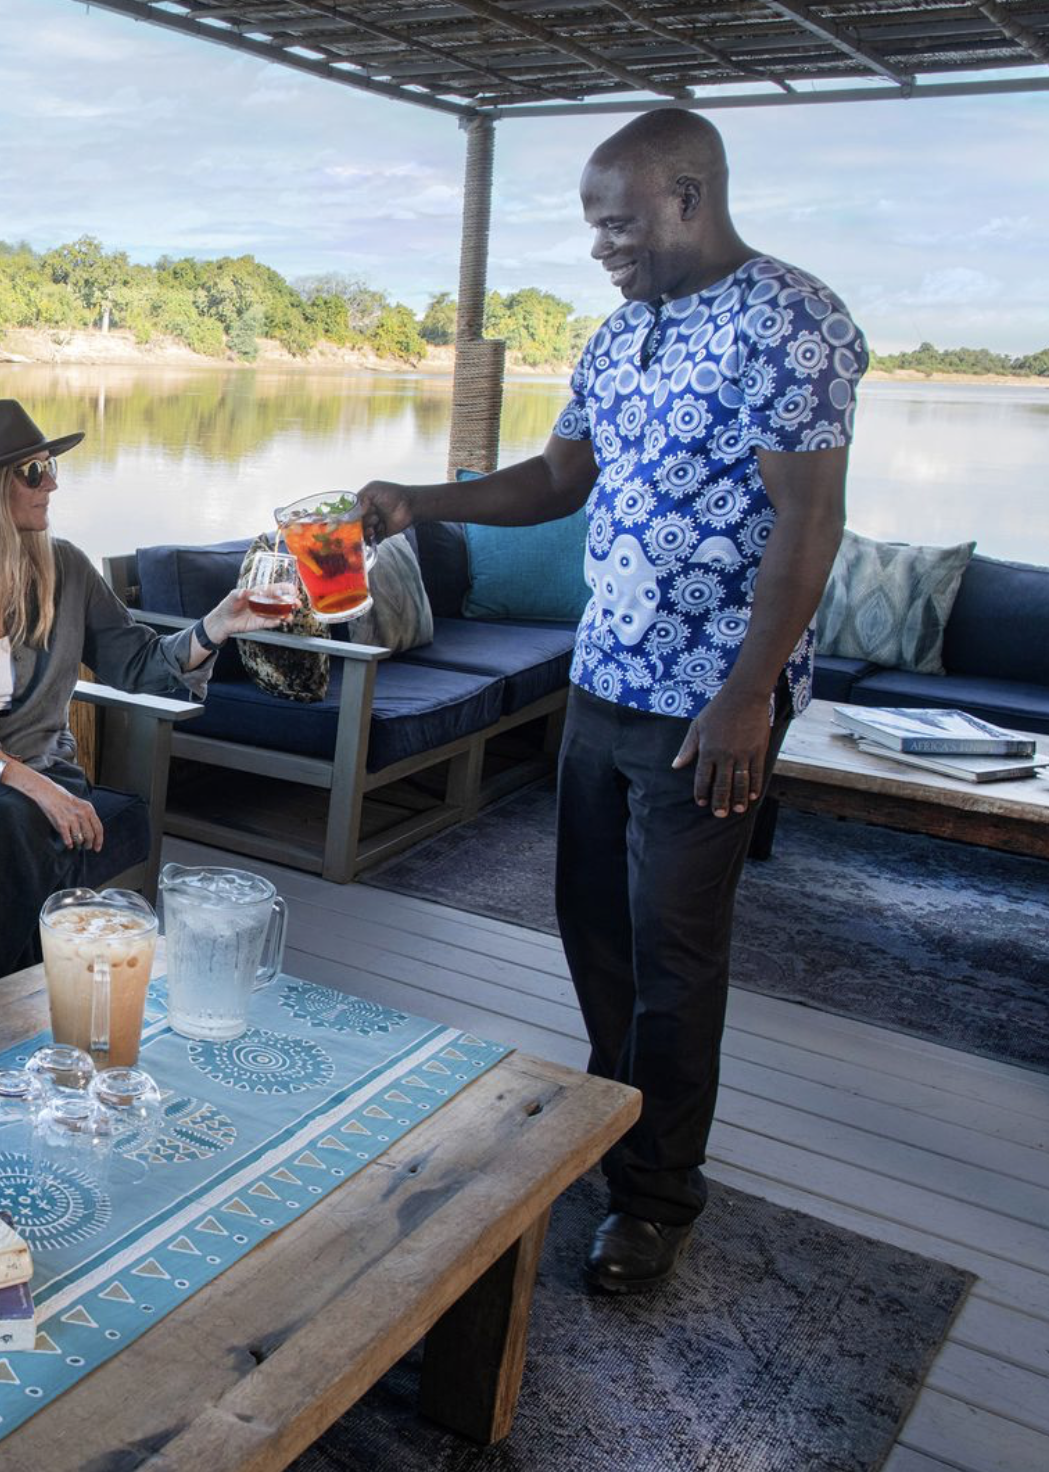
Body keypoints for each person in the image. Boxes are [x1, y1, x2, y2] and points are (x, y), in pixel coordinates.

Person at [355, 109, 861, 1293]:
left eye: (617, 221)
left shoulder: (794, 320)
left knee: (677, 950)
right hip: (606, 676)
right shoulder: (620, 331)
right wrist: (420, 503)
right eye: (593, 225)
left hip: (710, 704)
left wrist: (747, 698)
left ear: (688, 195)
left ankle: (655, 1200)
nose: (602, 246)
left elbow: (810, 521)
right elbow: (560, 477)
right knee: (592, 920)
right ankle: (610, 1116)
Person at [0, 398, 283, 984]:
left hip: (36, 777)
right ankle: (21, 998)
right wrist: (36, 788)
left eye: (51, 467)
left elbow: (140, 665)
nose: (53, 484)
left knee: (19, 821)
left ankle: (2, 1003)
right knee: (16, 820)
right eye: (35, 471)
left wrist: (218, 625)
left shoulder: (65, 568)